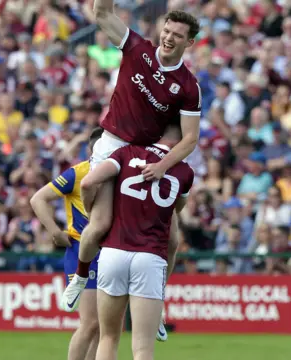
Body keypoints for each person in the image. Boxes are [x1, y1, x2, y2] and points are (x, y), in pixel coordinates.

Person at [78, 125, 194, 360]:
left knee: (108, 338)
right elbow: (177, 208)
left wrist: (93, 211)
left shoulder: (126, 152)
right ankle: (159, 310)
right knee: (142, 349)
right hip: (150, 256)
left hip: (114, 251)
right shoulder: (185, 171)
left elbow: (87, 183)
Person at [30, 127, 104, 360]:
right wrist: (54, 231)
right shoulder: (77, 173)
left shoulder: (117, 173)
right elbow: (38, 198)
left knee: (105, 327)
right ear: (92, 149)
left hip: (111, 253)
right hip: (83, 252)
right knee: (91, 323)